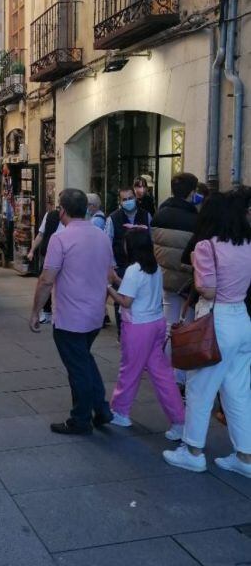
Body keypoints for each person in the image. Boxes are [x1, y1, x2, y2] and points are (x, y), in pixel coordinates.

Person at [163, 190, 251, 477]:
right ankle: (245, 456)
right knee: (238, 391)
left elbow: (208, 289)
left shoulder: (205, 247)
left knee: (200, 389)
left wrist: (199, 272)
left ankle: (192, 451)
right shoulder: (247, 244)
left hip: (216, 320)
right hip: (242, 320)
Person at [29, 188, 116, 435]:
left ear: (62, 210)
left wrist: (36, 311)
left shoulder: (61, 239)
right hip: (95, 315)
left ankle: (80, 419)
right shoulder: (101, 236)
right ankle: (101, 410)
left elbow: (46, 280)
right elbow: (110, 274)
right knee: (85, 361)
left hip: (70, 319)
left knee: (78, 369)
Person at [105, 229, 185, 437]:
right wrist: (115, 280)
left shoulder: (133, 270)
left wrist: (108, 287)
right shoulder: (154, 267)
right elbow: (136, 292)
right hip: (156, 323)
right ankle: (179, 421)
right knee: (163, 375)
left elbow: (126, 301)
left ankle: (120, 411)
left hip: (138, 327)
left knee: (129, 371)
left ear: (130, 247)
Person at [152, 172, 199, 372]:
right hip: (187, 282)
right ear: (192, 192)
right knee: (186, 327)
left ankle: (163, 367)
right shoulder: (195, 219)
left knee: (168, 321)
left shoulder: (160, 213)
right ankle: (178, 373)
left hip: (165, 277)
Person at [105, 186, 151, 336]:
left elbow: (152, 239)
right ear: (120, 201)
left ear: (135, 198)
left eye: (130, 198)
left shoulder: (146, 216)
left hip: (143, 265)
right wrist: (112, 266)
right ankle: (122, 332)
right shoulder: (113, 218)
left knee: (141, 298)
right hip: (122, 266)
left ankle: (140, 329)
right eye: (124, 199)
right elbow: (108, 243)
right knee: (122, 302)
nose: (128, 201)